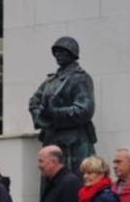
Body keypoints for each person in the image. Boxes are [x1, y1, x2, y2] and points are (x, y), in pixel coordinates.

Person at [29, 36, 98, 176]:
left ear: (72, 54)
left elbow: (85, 110)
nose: (58, 55)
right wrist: (43, 118)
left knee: (74, 181)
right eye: (56, 52)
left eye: (63, 51)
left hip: (74, 143)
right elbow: (34, 102)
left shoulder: (80, 78)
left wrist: (55, 113)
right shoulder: (50, 81)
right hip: (52, 140)